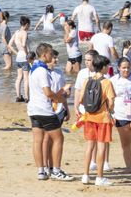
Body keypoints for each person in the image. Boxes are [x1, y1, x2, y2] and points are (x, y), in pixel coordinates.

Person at [27, 43, 73, 181]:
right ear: (44, 55)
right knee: (58, 138)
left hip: (33, 109)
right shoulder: (42, 70)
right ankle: (56, 171)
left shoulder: (33, 68)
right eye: (51, 54)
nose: (53, 56)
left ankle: (41, 171)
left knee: (37, 140)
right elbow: (47, 92)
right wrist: (59, 98)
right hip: (44, 110)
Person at [76, 55, 116, 186]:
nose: (108, 68)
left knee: (89, 146)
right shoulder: (107, 82)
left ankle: (85, 175)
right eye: (107, 66)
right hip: (103, 118)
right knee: (101, 146)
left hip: (89, 117)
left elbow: (81, 99)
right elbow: (111, 102)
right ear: (103, 67)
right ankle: (99, 177)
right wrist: (111, 111)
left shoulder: (87, 80)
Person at [42, 49, 71, 177]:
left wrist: (67, 108)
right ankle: (46, 167)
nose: (56, 60)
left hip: (59, 109)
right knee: (47, 139)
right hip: (48, 109)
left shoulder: (59, 73)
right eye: (54, 58)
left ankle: (52, 166)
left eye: (57, 58)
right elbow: (46, 94)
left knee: (53, 140)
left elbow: (63, 92)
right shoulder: (44, 73)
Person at [8, 16, 31, 102]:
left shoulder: (16, 32)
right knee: (26, 78)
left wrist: (17, 53)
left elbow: (9, 45)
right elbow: (24, 44)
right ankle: (27, 97)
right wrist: (27, 54)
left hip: (18, 58)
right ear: (27, 24)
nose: (29, 27)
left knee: (19, 77)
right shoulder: (24, 33)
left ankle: (18, 96)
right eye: (29, 25)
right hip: (25, 58)